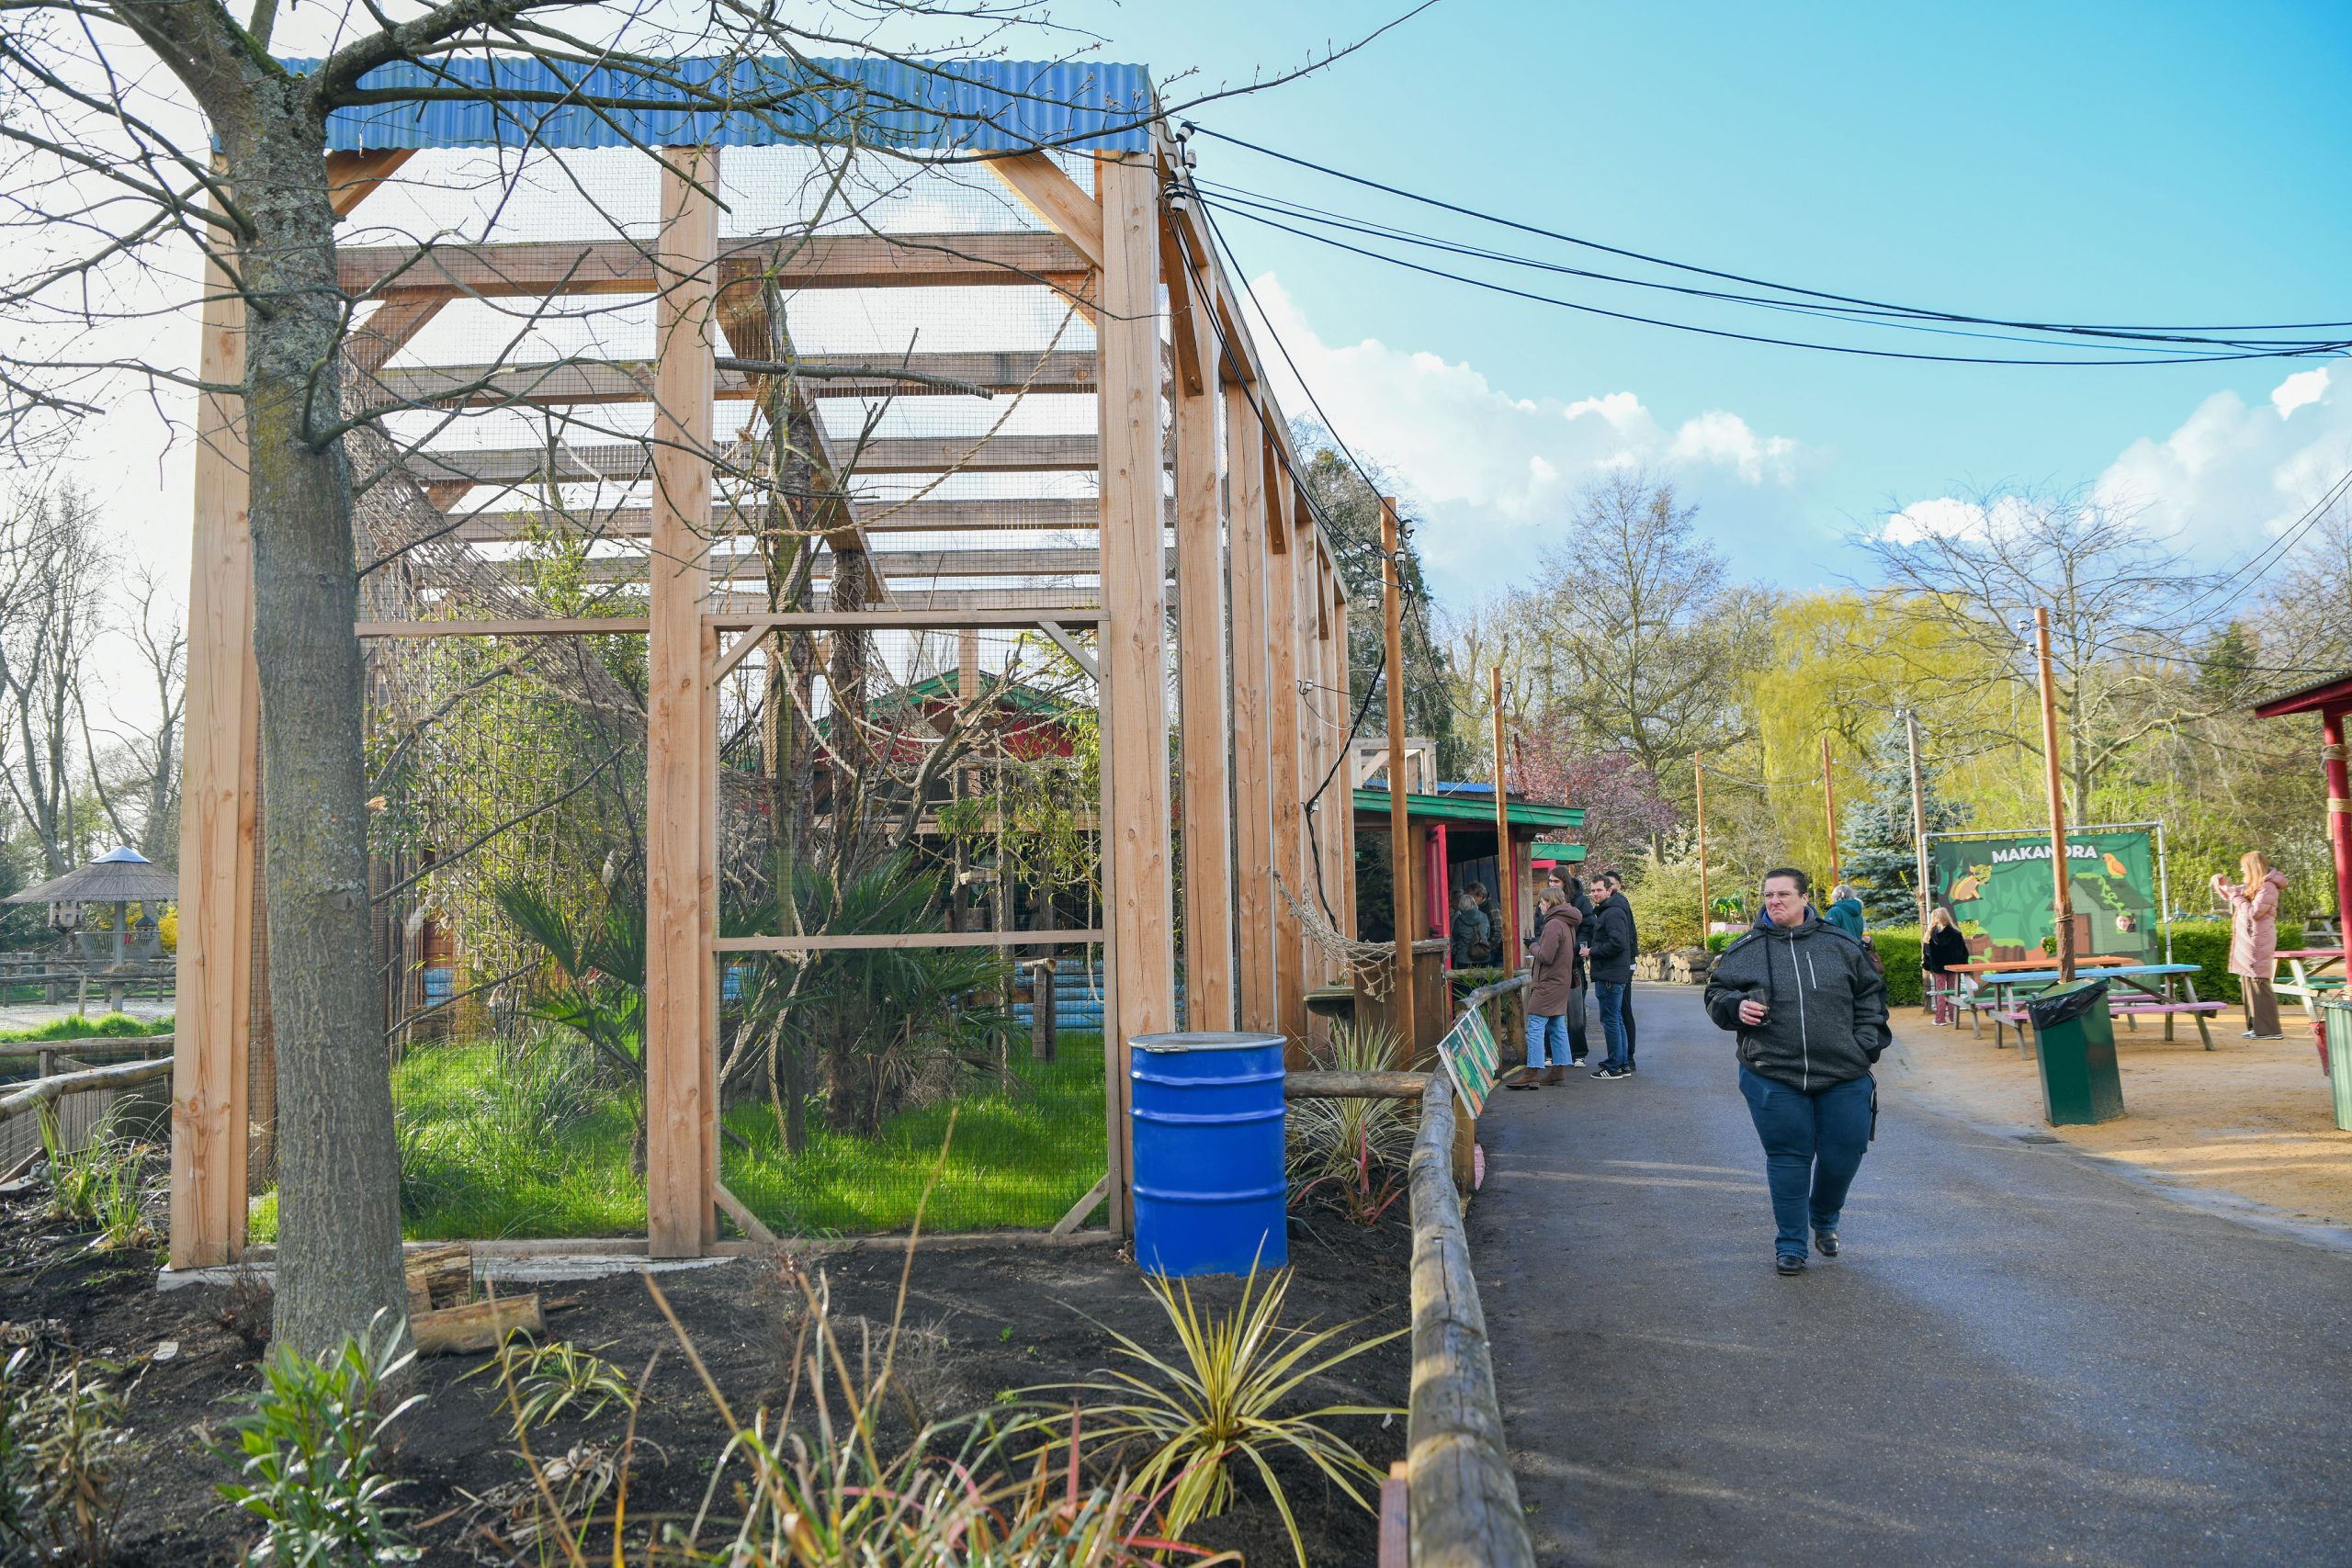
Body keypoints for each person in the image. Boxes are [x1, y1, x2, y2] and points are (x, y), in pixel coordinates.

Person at [1703, 866, 1891, 1275]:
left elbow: (1872, 998)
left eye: (1784, 894)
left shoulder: (1840, 944)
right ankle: (1791, 1244)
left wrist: (1863, 1048)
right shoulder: (1744, 949)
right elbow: (1716, 995)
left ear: (1806, 898)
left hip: (1844, 1072)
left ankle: (1823, 1217)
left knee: (1846, 1151)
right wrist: (1734, 1008)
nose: (1775, 902)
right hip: (1773, 1073)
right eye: (1769, 895)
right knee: (1789, 1157)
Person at [1508, 887, 1581, 1089]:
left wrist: (1532, 945)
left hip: (1549, 982)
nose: (1540, 906)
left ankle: (1532, 1072)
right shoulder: (1568, 922)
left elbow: (1546, 957)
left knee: (1535, 1026)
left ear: (1549, 902)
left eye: (1541, 902)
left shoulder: (1554, 924)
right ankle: (1558, 1071)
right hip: (1561, 981)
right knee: (1557, 1026)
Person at [2213, 853, 2289, 1039]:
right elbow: (2232, 893)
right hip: (2249, 939)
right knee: (2248, 980)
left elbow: (2254, 912)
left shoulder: (2268, 887)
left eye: (2243, 867)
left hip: (2259, 940)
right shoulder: (2254, 885)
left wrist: (2235, 897)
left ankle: (2270, 1029)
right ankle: (2257, 1027)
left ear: (2252, 867)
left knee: (2259, 982)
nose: (2241, 870)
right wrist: (2221, 884)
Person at [1583, 869, 1637, 1081]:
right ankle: (1622, 1064)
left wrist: (1592, 951)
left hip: (1610, 975)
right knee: (1617, 1019)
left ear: (1609, 890)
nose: (1595, 894)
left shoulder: (1612, 912)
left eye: (1599, 890)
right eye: (1592, 891)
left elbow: (1618, 943)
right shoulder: (1609, 910)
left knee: (1611, 1020)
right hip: (1613, 973)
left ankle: (1614, 1065)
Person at [1921, 906, 1971, 1026]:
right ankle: (1954, 1018)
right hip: (1954, 968)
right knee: (1953, 992)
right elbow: (1963, 952)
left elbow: (1927, 954)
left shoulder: (1930, 935)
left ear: (1934, 918)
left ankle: (1940, 1019)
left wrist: (1927, 966)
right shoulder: (1956, 933)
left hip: (1938, 968)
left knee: (1941, 992)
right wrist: (1962, 965)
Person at [1449, 888, 1488, 971]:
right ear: (1474, 903)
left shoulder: (1459, 920)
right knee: (1484, 983)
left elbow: (1455, 936)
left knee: (1463, 983)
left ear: (1461, 905)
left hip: (1464, 959)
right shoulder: (1484, 916)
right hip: (1483, 956)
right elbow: (1487, 934)